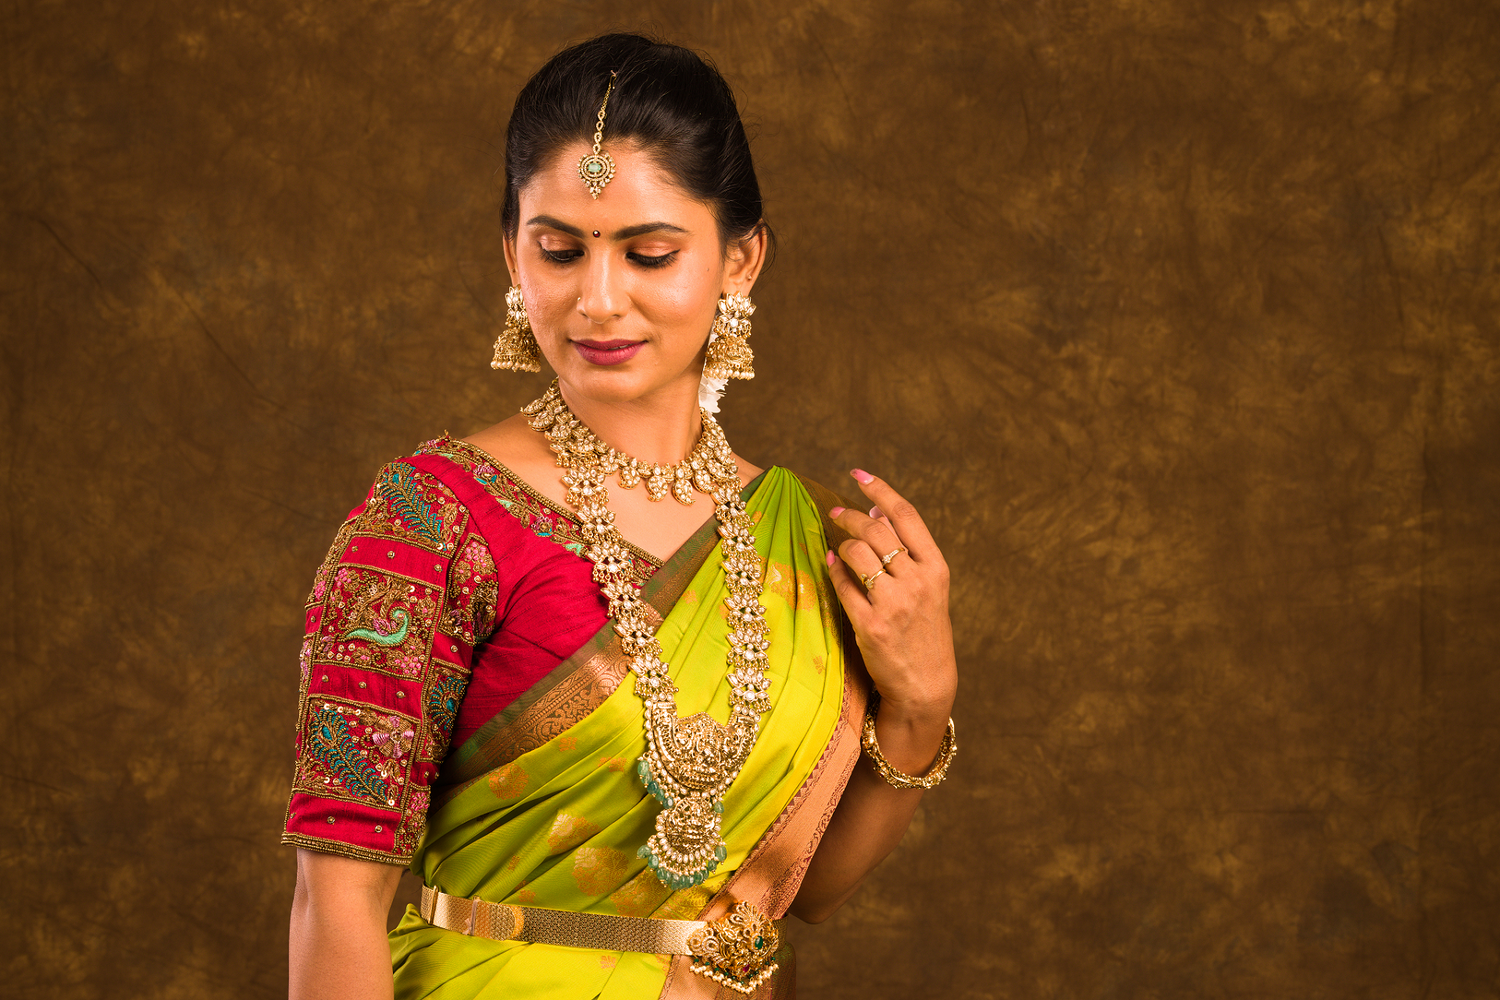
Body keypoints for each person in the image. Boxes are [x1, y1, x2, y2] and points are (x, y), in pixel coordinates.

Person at [283, 33, 958, 1000]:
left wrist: (921, 704)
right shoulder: (430, 525)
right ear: (512, 253)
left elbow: (807, 888)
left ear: (740, 260)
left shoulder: (802, 535)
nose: (598, 301)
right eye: (559, 251)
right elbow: (335, 900)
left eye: (649, 254)